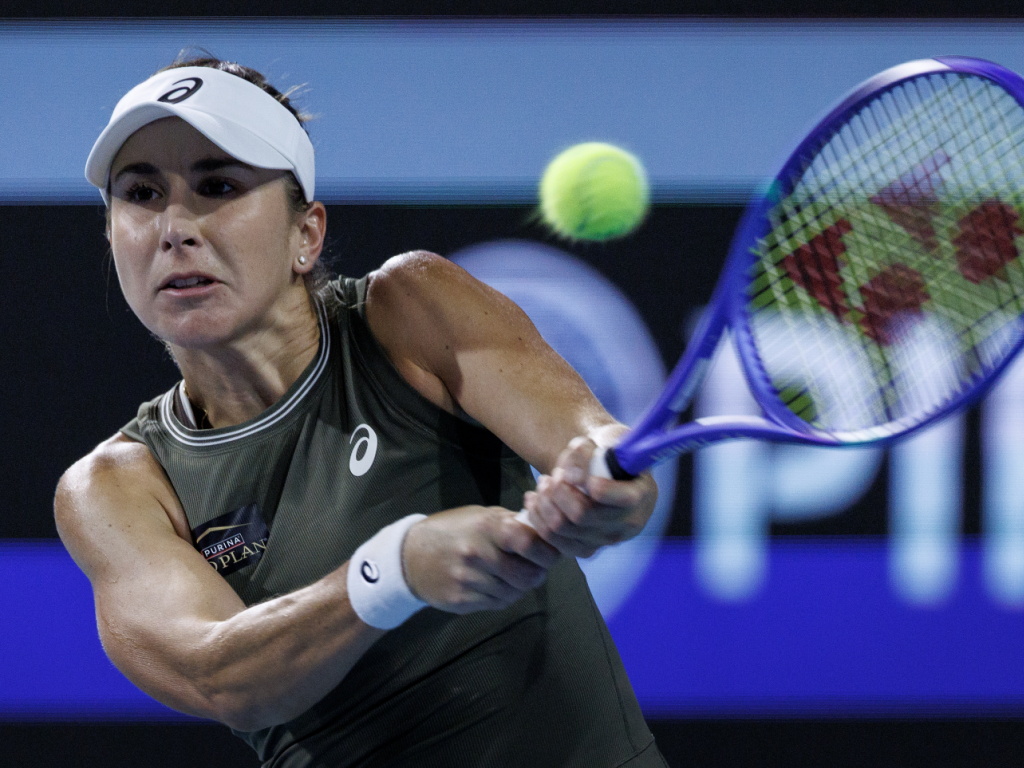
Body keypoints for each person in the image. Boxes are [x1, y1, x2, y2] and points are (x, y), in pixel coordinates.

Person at [55, 56, 666, 768]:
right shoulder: (114, 490)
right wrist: (395, 569)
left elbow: (596, 446)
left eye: (218, 186)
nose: (174, 227)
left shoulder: (412, 306)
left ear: (305, 234)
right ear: (112, 237)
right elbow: (220, 675)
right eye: (141, 194)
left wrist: (603, 486)